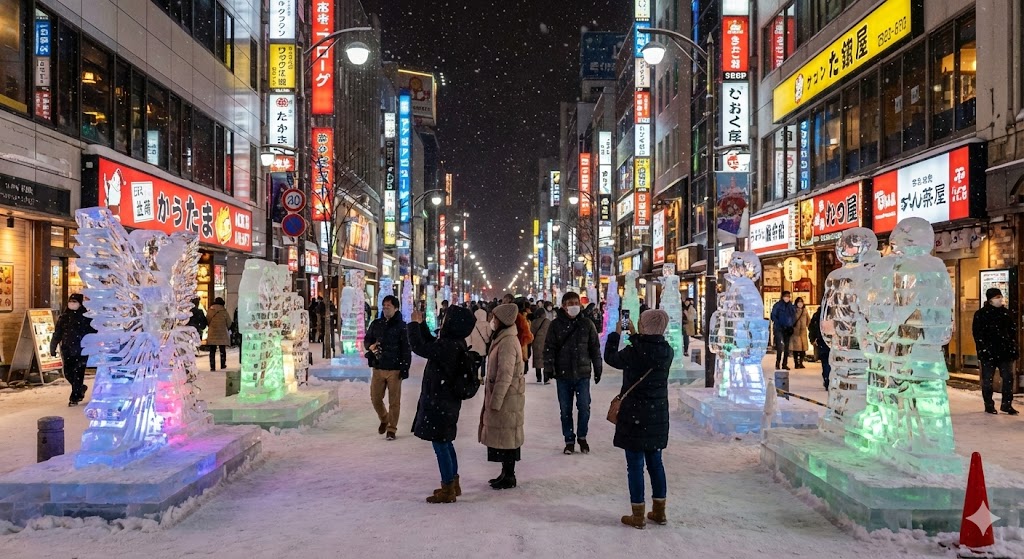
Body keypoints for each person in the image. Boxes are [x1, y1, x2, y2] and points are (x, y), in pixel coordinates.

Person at [604, 309, 673, 529]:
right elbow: (648, 350)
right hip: (657, 415)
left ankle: (638, 514)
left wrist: (616, 335)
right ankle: (660, 511)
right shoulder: (667, 351)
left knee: (635, 465)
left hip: (634, 415)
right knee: (656, 463)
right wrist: (635, 335)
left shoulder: (634, 352)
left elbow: (611, 358)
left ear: (644, 326)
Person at [408, 304, 476, 503]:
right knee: (445, 441)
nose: (444, 321)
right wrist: (421, 327)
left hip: (440, 401)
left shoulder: (448, 345)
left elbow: (421, 347)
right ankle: (453, 483)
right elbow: (430, 344)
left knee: (441, 443)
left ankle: (448, 488)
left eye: (447, 318)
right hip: (446, 401)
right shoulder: (454, 342)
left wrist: (413, 325)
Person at [544, 291, 603, 455]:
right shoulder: (555, 325)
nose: (574, 306)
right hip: (563, 375)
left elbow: (594, 348)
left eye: (576, 303)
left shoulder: (587, 324)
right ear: (563, 306)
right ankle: (569, 440)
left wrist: (598, 368)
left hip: (583, 374)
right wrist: (548, 369)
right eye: (570, 304)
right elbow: (549, 348)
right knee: (565, 410)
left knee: (584, 407)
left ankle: (582, 437)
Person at [479, 303, 526, 490]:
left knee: (507, 437)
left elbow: (505, 374)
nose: (492, 321)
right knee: (504, 436)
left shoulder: (507, 341)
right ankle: (505, 473)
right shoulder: (503, 337)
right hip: (508, 396)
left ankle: (509, 476)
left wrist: (496, 400)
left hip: (507, 397)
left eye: (495, 318)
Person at [365, 295, 412, 440]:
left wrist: (405, 367)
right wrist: (370, 346)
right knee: (375, 398)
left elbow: (406, 348)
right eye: (384, 305)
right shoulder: (376, 324)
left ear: (396, 308)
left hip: (395, 368)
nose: (386, 308)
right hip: (378, 366)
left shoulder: (401, 326)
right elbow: (367, 339)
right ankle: (384, 418)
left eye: (389, 306)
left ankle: (392, 428)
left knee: (394, 401)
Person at [972, 287, 1019, 415]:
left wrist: (1013, 347)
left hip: (1005, 352)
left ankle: (1006, 404)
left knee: (1008, 378)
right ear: (990, 300)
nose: (1000, 299)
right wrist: (983, 349)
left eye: (1000, 297)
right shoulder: (981, 314)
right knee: (988, 379)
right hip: (989, 353)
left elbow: (1012, 332)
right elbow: (978, 334)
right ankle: (989, 404)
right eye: (997, 297)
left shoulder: (1006, 313)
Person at [50, 294, 96, 406]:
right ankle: (80, 388)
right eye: (71, 301)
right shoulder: (64, 317)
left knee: (78, 373)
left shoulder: (86, 318)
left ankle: (74, 397)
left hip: (82, 350)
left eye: (75, 301)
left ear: (80, 303)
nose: (72, 303)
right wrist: (53, 346)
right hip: (67, 349)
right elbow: (58, 333)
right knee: (68, 373)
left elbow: (93, 332)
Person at [770, 291, 796, 370]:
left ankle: (784, 363)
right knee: (780, 347)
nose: (787, 298)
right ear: (782, 296)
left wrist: (791, 325)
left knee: (786, 348)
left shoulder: (791, 306)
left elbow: (793, 316)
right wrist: (779, 324)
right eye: (786, 296)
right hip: (779, 328)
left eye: (788, 296)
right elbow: (773, 316)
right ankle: (778, 363)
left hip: (787, 329)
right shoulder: (778, 306)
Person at [808, 306, 830, 390]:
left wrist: (813, 338)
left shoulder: (818, 314)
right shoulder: (832, 314)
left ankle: (827, 379)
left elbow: (811, 328)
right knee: (827, 361)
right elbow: (812, 328)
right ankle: (828, 379)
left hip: (822, 341)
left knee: (825, 362)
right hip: (826, 341)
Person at [205, 297, 230, 371]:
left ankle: (212, 366)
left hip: (212, 332)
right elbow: (228, 322)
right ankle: (223, 364)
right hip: (222, 332)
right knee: (222, 349)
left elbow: (207, 320)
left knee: (212, 350)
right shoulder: (224, 311)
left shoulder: (210, 310)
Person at [467, 307, 491, 378]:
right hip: (482, 346)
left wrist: (469, 344)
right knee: (482, 362)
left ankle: (475, 375)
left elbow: (469, 336)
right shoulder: (487, 325)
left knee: (474, 362)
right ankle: (482, 375)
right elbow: (489, 335)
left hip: (473, 348)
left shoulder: (472, 325)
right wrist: (487, 340)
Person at [530, 307, 551, 384]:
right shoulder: (548, 321)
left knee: (537, 359)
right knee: (545, 359)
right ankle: (546, 377)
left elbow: (531, 332)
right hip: (546, 342)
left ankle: (538, 377)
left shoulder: (534, 322)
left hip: (537, 342)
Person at [789, 297, 810, 369]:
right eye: (798, 302)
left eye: (801, 302)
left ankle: (801, 362)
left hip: (803, 332)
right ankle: (796, 363)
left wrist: (808, 327)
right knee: (796, 349)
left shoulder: (805, 311)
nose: (800, 304)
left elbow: (808, 320)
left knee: (803, 349)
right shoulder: (793, 310)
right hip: (795, 332)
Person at [515, 298, 534, 375]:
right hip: (521, 342)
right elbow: (526, 333)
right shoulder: (521, 318)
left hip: (517, 342)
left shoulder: (516, 316)